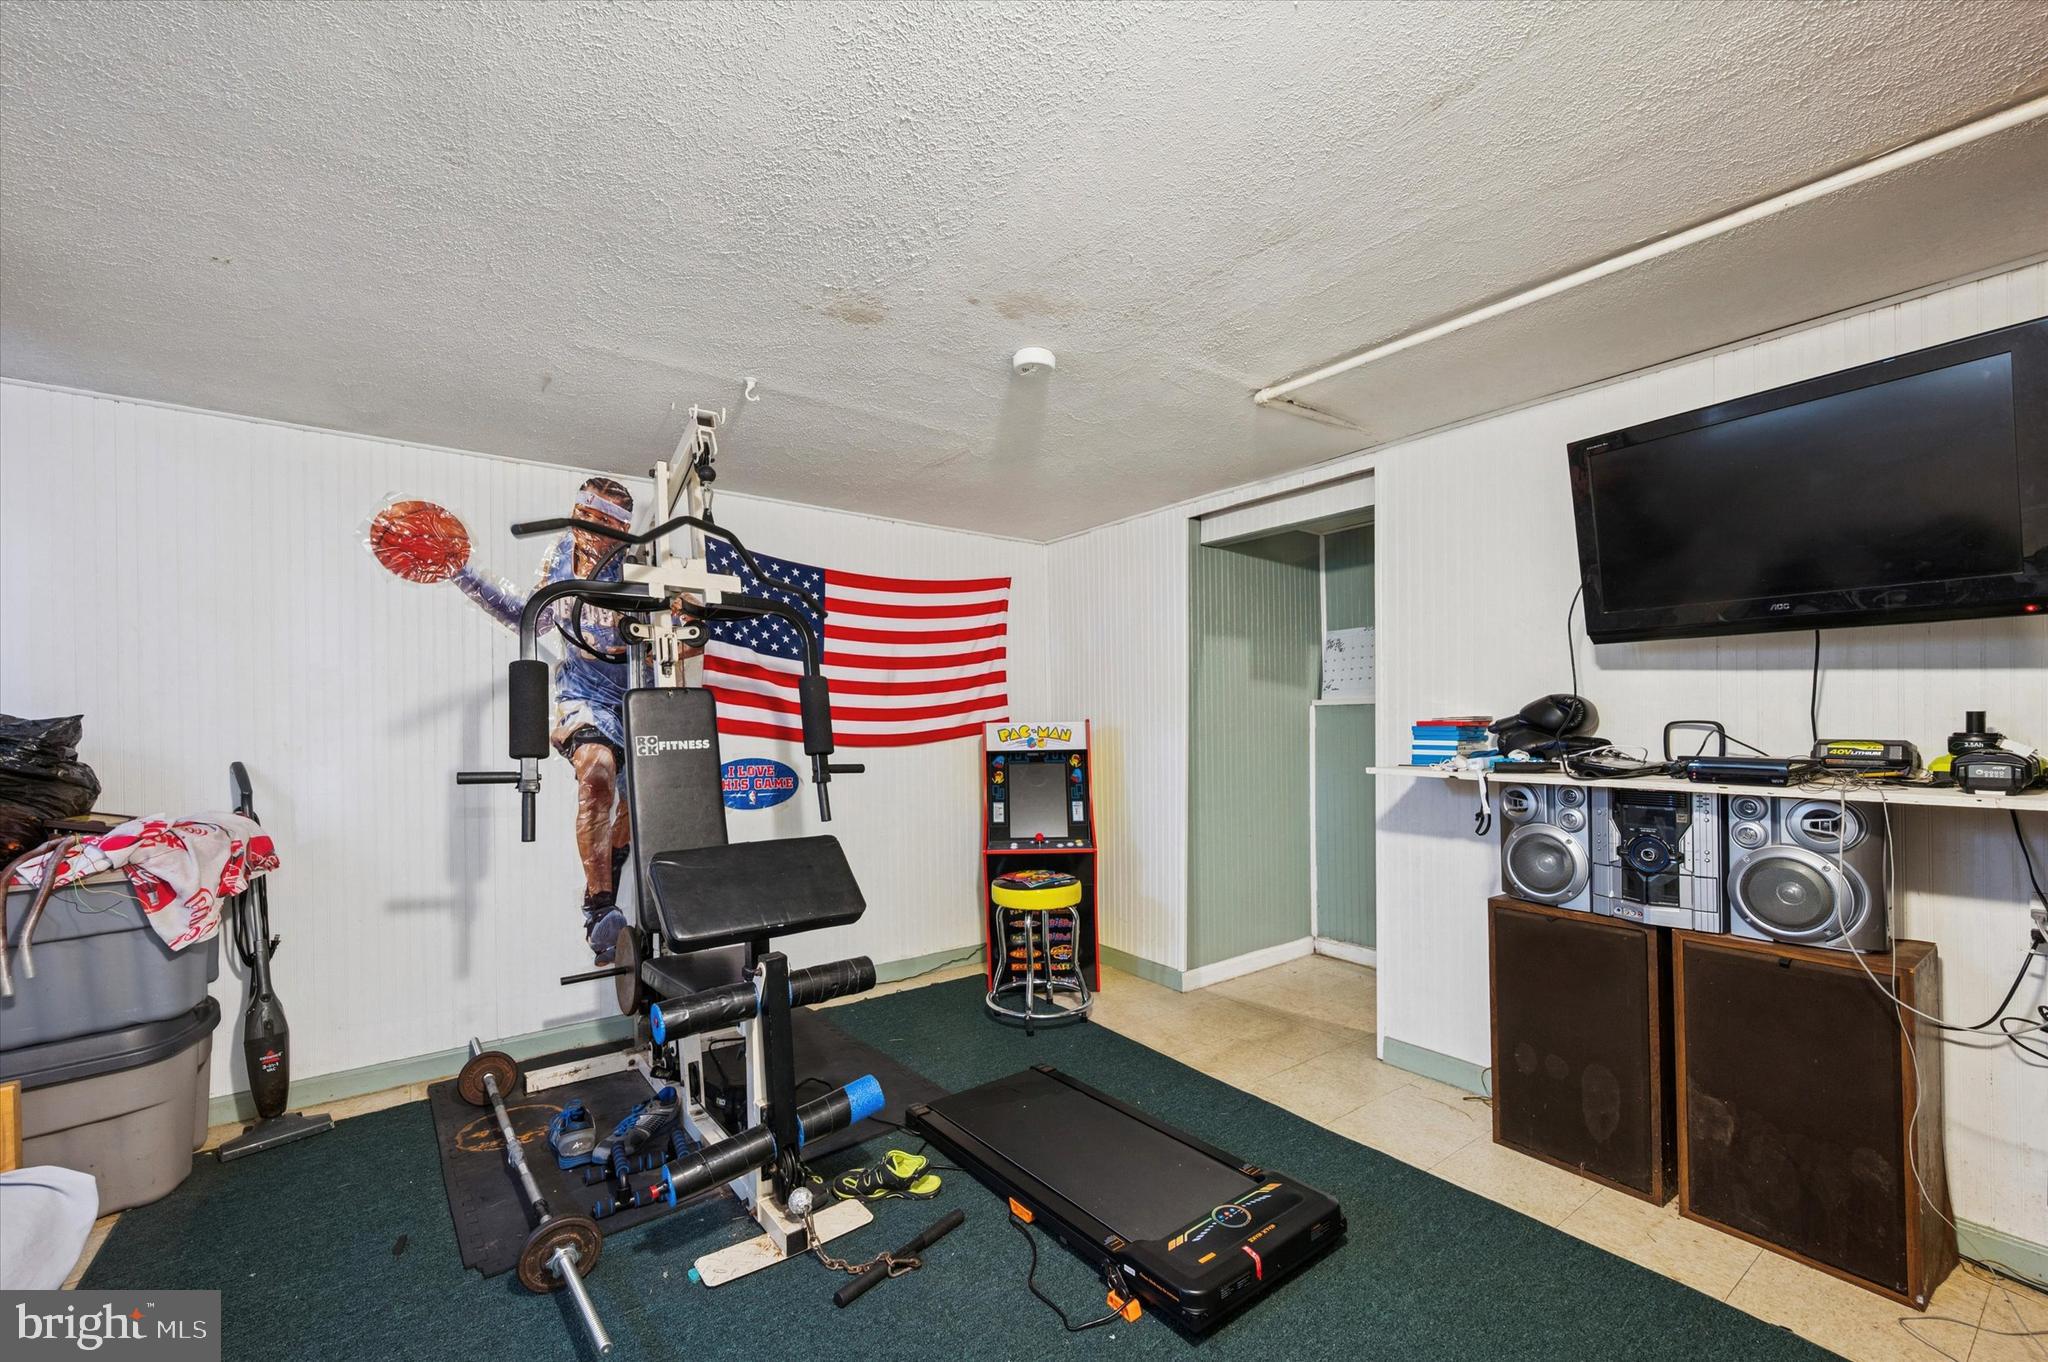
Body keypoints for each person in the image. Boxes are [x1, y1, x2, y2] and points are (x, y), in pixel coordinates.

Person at [452, 477, 637, 963]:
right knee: (597, 773)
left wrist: (688, 619)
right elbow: (530, 618)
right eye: (587, 519)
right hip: (585, 693)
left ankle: (604, 886)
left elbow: (677, 632)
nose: (593, 532)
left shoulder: (639, 562)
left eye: (606, 524)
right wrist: (463, 573)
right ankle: (601, 908)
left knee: (638, 807)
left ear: (622, 531)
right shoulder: (561, 557)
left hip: (640, 692)